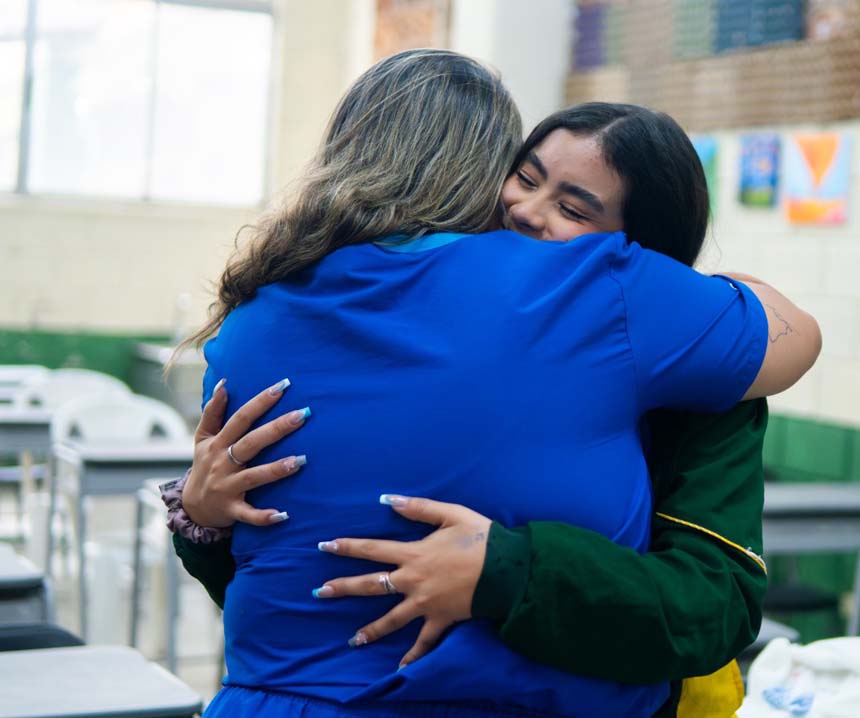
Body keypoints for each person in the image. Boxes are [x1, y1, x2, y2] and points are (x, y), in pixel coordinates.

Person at [171, 50, 820, 718]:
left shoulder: (257, 314)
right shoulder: (541, 301)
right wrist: (202, 519)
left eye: (572, 206)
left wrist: (508, 569)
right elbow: (293, 573)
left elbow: (712, 607)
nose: (526, 212)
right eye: (524, 178)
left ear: (641, 255)